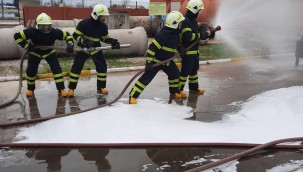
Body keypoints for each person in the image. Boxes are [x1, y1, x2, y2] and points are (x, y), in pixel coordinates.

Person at [129, 11, 185, 104]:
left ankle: (174, 92)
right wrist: (149, 62)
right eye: (180, 23)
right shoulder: (163, 35)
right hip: (156, 61)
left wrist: (181, 49)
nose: (182, 25)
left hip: (167, 61)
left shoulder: (175, 33)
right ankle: (133, 96)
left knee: (175, 74)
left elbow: (176, 44)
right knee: (146, 78)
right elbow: (152, 49)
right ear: (175, 24)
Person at [14, 13, 74, 97]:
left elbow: (67, 35)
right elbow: (17, 36)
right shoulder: (32, 32)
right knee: (31, 71)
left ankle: (61, 89)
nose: (46, 29)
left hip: (49, 52)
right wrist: (26, 46)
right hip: (35, 52)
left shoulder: (54, 32)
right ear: (38, 26)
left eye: (48, 26)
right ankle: (30, 89)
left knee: (57, 70)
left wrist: (70, 44)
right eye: (43, 27)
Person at [67, 4, 120, 97]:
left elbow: (104, 38)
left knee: (102, 67)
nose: (104, 19)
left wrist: (111, 41)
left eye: (105, 17)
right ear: (96, 15)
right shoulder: (84, 23)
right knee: (76, 68)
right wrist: (84, 41)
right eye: (103, 17)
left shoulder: (103, 26)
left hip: (96, 49)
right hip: (83, 49)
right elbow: (76, 35)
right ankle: (71, 89)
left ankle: (101, 88)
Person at [178, 0, 214, 98]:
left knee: (194, 72)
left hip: (194, 52)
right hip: (188, 53)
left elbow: (197, 34)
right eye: (199, 11)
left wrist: (207, 33)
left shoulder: (193, 20)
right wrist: (200, 35)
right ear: (194, 10)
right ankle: (178, 90)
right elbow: (188, 37)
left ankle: (193, 88)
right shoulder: (186, 21)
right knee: (185, 72)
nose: (200, 13)